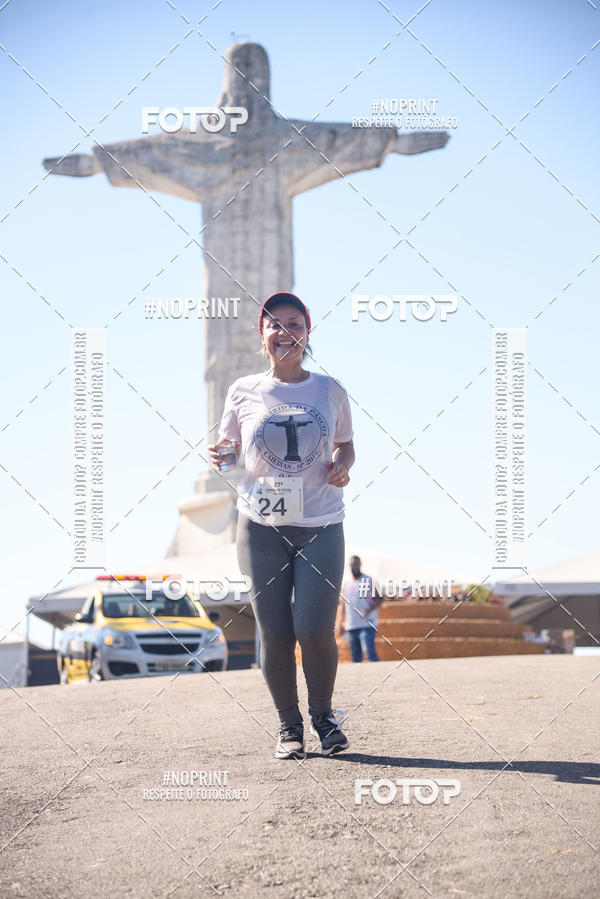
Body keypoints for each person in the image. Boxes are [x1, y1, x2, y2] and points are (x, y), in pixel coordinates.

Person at [208, 292, 355, 759]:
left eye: (293, 323)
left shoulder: (329, 390)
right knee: (274, 631)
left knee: (313, 628)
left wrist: (342, 466)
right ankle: (289, 728)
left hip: (321, 523)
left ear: (307, 333)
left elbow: (346, 445)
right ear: (263, 335)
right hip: (260, 527)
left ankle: (324, 718)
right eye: (274, 324)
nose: (284, 332)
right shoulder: (243, 390)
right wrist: (221, 455)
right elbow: (228, 448)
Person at [337, 556, 382, 662]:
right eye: (353, 564)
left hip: (367, 625)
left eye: (357, 564)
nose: (355, 566)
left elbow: (380, 598)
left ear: (360, 565)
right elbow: (342, 605)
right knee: (355, 658)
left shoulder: (369, 580)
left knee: (369, 654)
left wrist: (370, 610)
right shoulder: (346, 583)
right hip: (351, 626)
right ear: (349, 566)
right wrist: (339, 623)